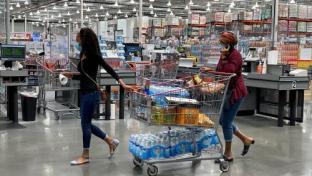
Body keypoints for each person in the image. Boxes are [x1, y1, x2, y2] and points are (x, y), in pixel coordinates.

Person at [62, 28, 136, 165]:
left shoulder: (94, 54)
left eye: (78, 39)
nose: (76, 41)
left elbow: (108, 68)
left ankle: (85, 155)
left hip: (91, 94)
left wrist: (122, 84)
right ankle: (111, 141)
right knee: (87, 124)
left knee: (85, 124)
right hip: (85, 92)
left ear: (84, 39)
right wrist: (71, 75)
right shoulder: (83, 53)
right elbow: (85, 76)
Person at [202, 32, 254, 162]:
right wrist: (210, 74)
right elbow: (219, 70)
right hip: (226, 92)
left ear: (229, 44)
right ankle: (245, 139)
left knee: (226, 122)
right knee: (222, 121)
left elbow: (229, 72)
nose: (221, 45)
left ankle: (228, 153)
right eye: (221, 43)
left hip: (235, 93)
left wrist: (212, 70)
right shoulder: (224, 55)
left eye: (223, 43)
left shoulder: (236, 56)